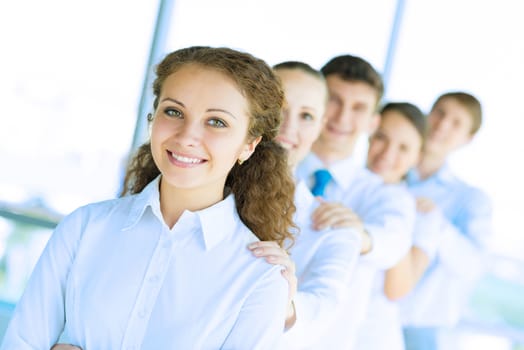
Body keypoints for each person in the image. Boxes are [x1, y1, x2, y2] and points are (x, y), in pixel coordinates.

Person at [1, 46, 297, 350]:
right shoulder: (83, 228)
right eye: (174, 112)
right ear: (153, 117)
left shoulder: (259, 279)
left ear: (249, 144)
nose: (186, 136)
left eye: (216, 122)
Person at [295, 54, 415, 349]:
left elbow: (393, 241)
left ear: (373, 122)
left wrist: (359, 235)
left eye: (358, 108)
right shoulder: (272, 168)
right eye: (334, 100)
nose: (342, 117)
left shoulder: (385, 195)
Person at [249, 61, 362, 348]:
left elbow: (323, 307)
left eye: (307, 116)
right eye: (280, 109)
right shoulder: (201, 195)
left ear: (321, 127)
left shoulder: (334, 230)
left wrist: (284, 299)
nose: (288, 127)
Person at [400, 92, 493, 350]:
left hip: (419, 329)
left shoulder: (470, 200)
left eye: (456, 123)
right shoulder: (389, 173)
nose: (441, 125)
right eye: (439, 113)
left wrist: (437, 224)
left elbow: (473, 266)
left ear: (468, 139)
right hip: (366, 313)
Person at [353, 102, 442, 350]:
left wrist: (400, 219)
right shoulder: (335, 182)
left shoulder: (422, 214)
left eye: (404, 148)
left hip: (371, 337)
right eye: (382, 138)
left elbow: (397, 289)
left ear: (418, 156)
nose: (388, 154)